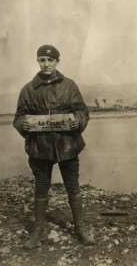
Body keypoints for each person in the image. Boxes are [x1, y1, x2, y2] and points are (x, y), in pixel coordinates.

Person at [13, 44, 95, 249]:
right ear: (38, 62)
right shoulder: (28, 89)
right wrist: (22, 124)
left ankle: (80, 228)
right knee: (41, 188)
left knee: (72, 186)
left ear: (57, 61)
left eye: (50, 60)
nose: (46, 63)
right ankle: (39, 231)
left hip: (68, 146)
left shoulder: (69, 85)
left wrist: (78, 121)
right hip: (40, 148)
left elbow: (82, 111)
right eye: (42, 60)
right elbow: (19, 116)